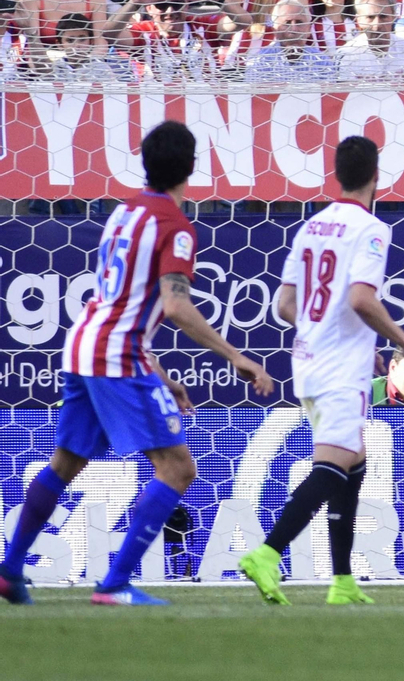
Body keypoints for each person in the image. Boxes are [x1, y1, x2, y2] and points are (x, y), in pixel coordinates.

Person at [0, 121, 273, 607]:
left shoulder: (124, 213)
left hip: (84, 343)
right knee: (177, 469)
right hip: (117, 354)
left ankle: (9, 568)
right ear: (191, 167)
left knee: (66, 462)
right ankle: (114, 584)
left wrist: (163, 376)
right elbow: (175, 305)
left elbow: (123, 297)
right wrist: (237, 356)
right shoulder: (176, 227)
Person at [237, 135, 404, 608]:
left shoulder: (311, 227)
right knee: (332, 465)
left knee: (355, 460)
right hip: (338, 368)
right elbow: (361, 299)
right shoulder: (371, 229)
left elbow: (285, 304)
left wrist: (339, 335)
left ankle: (342, 581)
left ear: (337, 174)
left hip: (308, 359)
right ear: (376, 177)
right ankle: (267, 552)